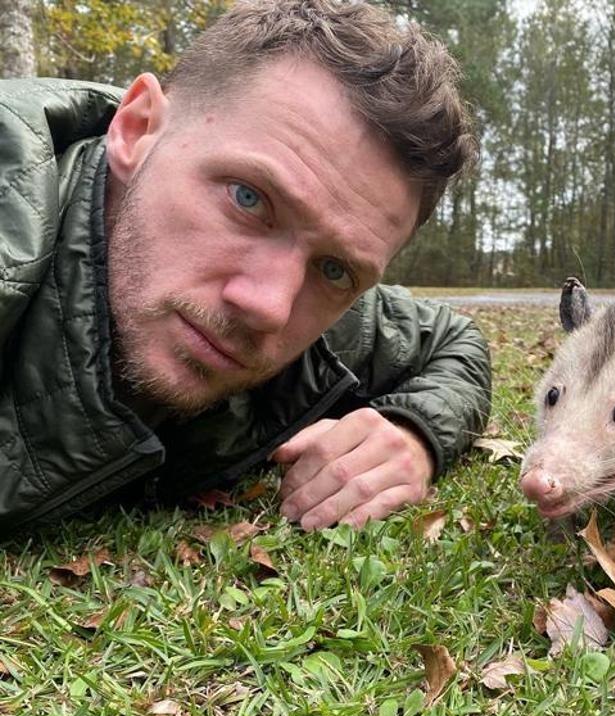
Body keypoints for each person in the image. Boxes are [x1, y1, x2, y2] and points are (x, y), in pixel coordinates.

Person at [0, 0, 491, 531]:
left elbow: (454, 343)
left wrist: (413, 431)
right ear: (137, 129)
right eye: (249, 199)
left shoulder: (319, 306)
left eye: (334, 270)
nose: (269, 306)